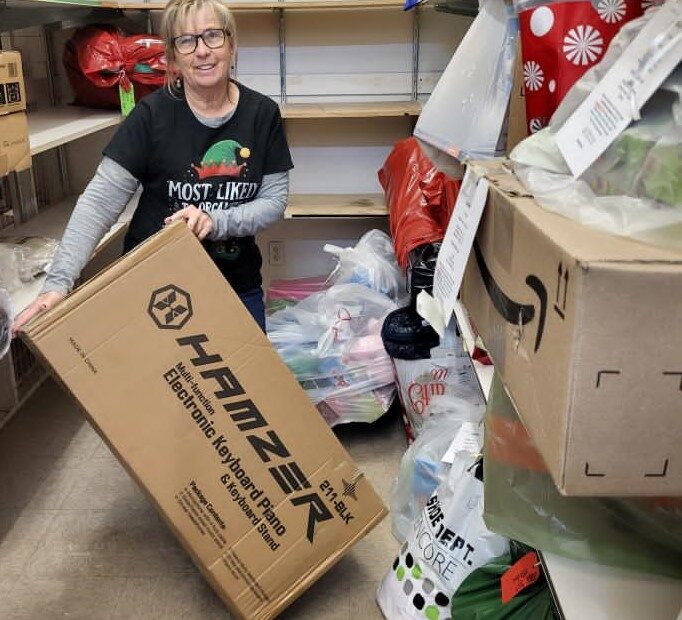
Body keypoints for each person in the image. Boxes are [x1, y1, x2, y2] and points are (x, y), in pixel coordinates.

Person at [12, 0, 293, 335]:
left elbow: (274, 202)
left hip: (235, 286)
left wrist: (214, 222)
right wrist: (57, 285)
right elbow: (100, 202)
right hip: (154, 289)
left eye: (212, 36)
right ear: (172, 58)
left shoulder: (262, 114)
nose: (202, 50)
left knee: (249, 386)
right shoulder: (152, 115)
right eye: (186, 41)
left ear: (231, 44)